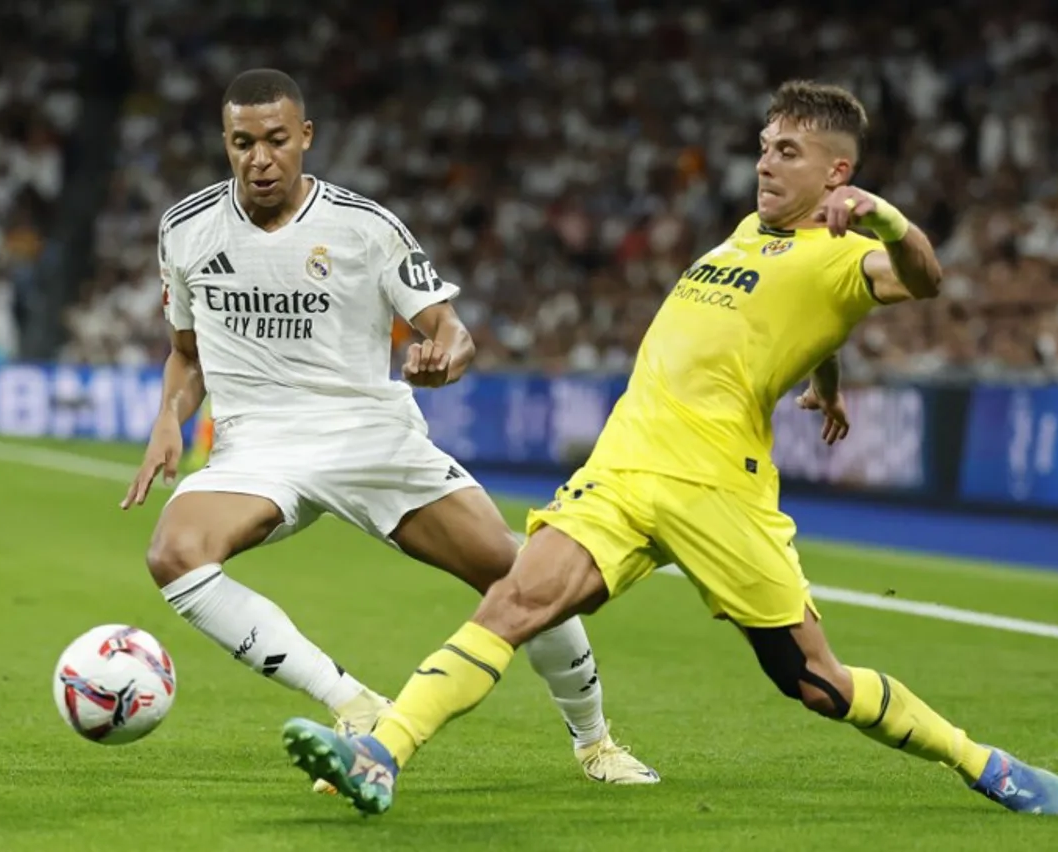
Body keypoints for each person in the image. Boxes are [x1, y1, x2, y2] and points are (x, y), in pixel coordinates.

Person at [282, 79, 1058, 818]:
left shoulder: (850, 252)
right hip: (625, 467)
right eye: (765, 145)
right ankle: (380, 753)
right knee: (515, 601)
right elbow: (794, 318)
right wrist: (826, 379)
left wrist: (889, 220)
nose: (764, 161)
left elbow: (924, 279)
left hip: (717, 490)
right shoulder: (747, 232)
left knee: (814, 683)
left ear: (837, 175)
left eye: (787, 152)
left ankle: (984, 763)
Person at [120, 68, 658, 789]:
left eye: (276, 140)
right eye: (242, 143)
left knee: (522, 573)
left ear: (305, 137)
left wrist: (443, 356)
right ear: (225, 142)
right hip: (259, 446)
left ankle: (595, 743)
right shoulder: (185, 230)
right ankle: (354, 705)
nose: (260, 158)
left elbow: (451, 328)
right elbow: (187, 353)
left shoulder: (363, 227)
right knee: (175, 553)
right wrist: (168, 420)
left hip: (368, 436)